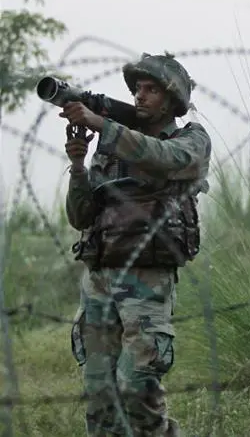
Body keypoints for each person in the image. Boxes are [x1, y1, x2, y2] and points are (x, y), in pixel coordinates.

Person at [62, 52, 211, 436]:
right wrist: (78, 166)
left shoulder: (188, 139)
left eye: (151, 89)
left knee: (136, 390)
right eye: (136, 89)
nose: (140, 96)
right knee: (100, 395)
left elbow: (169, 159)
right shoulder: (113, 147)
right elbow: (81, 217)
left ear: (172, 98)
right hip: (100, 279)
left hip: (146, 281)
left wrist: (102, 124)